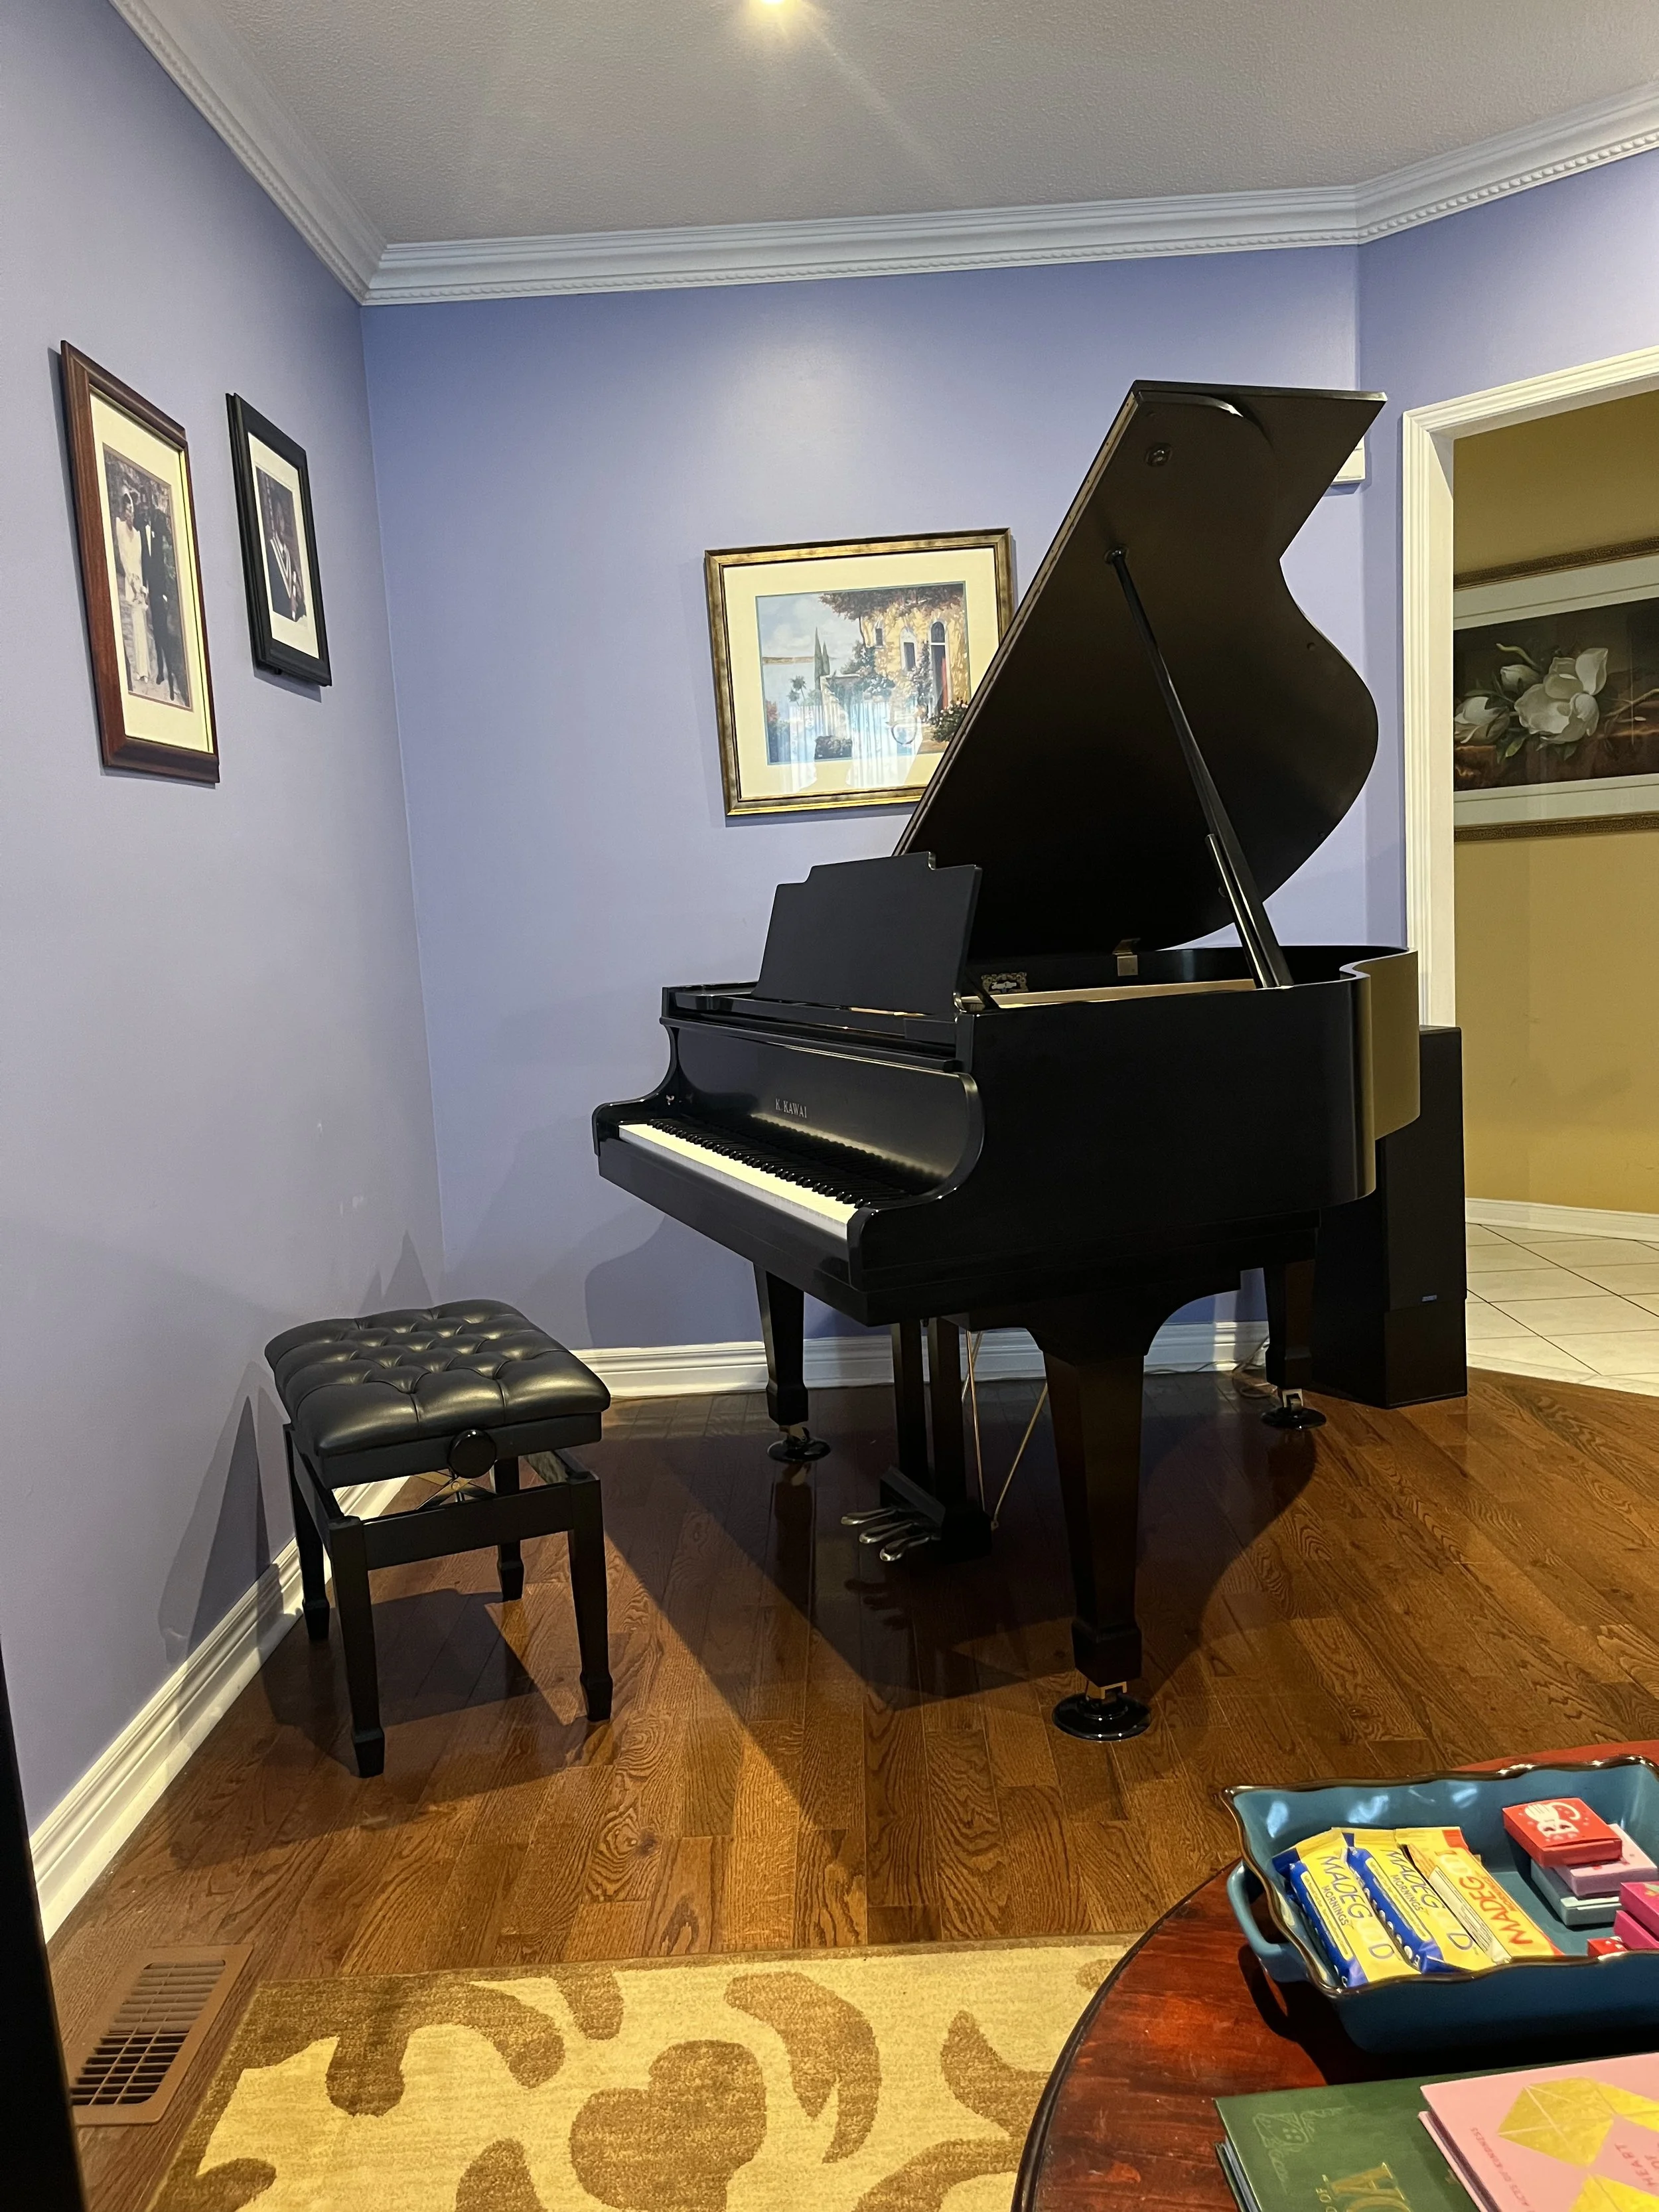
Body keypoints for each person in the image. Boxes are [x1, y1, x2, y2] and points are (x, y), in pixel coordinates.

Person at [111, 486, 153, 690]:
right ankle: (137, 669)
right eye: (128, 510)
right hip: (130, 582)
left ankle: (144, 671)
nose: (130, 514)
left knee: (141, 625)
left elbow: (139, 561)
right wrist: (132, 581)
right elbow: (123, 558)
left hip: (139, 584)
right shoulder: (119, 527)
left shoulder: (137, 535)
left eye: (133, 511)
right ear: (123, 511)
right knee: (132, 626)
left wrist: (142, 586)